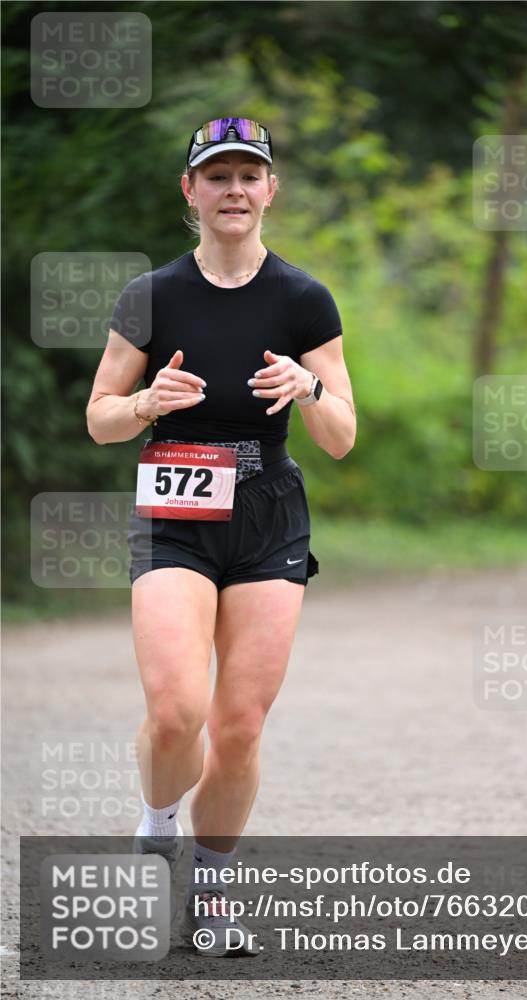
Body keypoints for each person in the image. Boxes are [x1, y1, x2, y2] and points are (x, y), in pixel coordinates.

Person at [86, 117, 356, 954]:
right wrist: (143, 407)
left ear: (271, 190)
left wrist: (309, 385)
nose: (233, 190)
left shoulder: (303, 298)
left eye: (249, 176)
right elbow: (99, 419)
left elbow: (342, 434)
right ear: (190, 192)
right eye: (217, 176)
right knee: (177, 713)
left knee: (237, 724)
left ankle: (210, 894)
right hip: (176, 503)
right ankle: (158, 819)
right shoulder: (151, 296)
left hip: (267, 508)